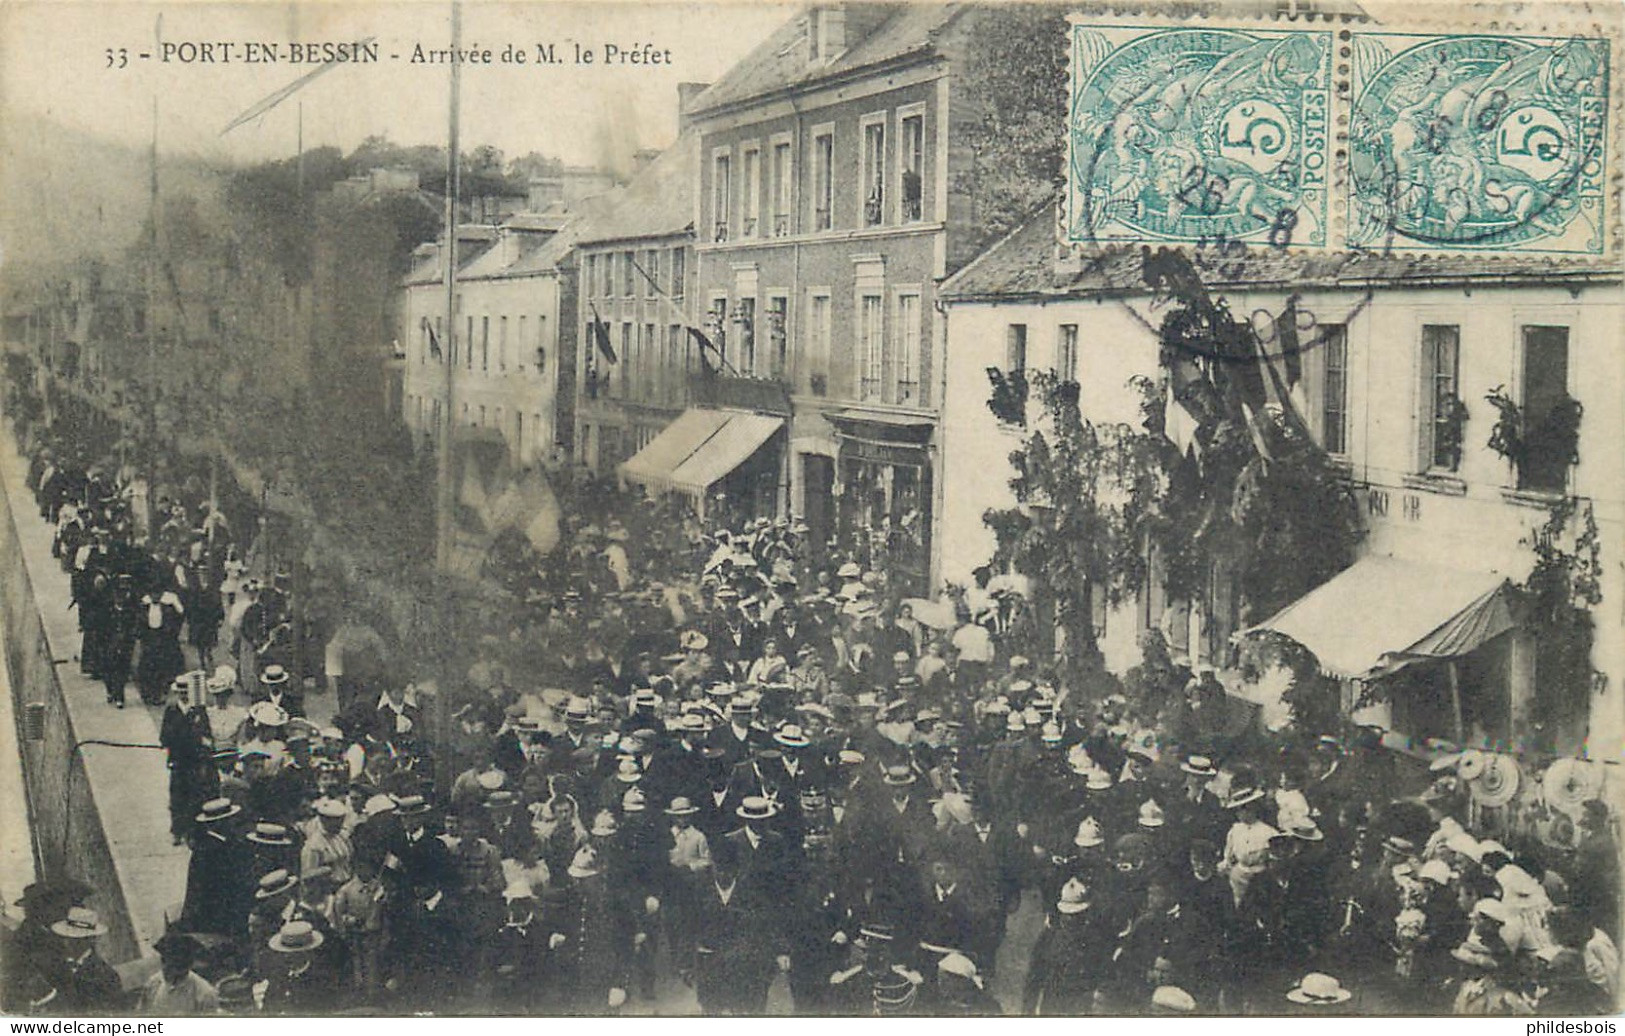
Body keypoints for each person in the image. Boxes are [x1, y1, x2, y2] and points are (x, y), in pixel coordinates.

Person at [138, 932, 218, 1015]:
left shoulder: (204, 993)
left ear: (187, 964)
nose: (167, 970)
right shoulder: (153, 984)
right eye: (165, 960)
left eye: (175, 964)